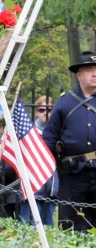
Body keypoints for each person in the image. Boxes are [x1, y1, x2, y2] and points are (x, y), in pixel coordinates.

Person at [43, 51, 96, 231]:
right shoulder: (65, 103)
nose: (94, 73)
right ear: (79, 74)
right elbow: (49, 139)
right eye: (89, 69)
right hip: (72, 175)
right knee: (72, 228)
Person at [18, 95, 58, 226]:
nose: (45, 113)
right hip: (33, 189)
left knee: (48, 232)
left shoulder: (59, 133)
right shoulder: (28, 133)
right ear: (36, 112)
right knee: (30, 232)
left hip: (51, 189)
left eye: (49, 109)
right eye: (42, 110)